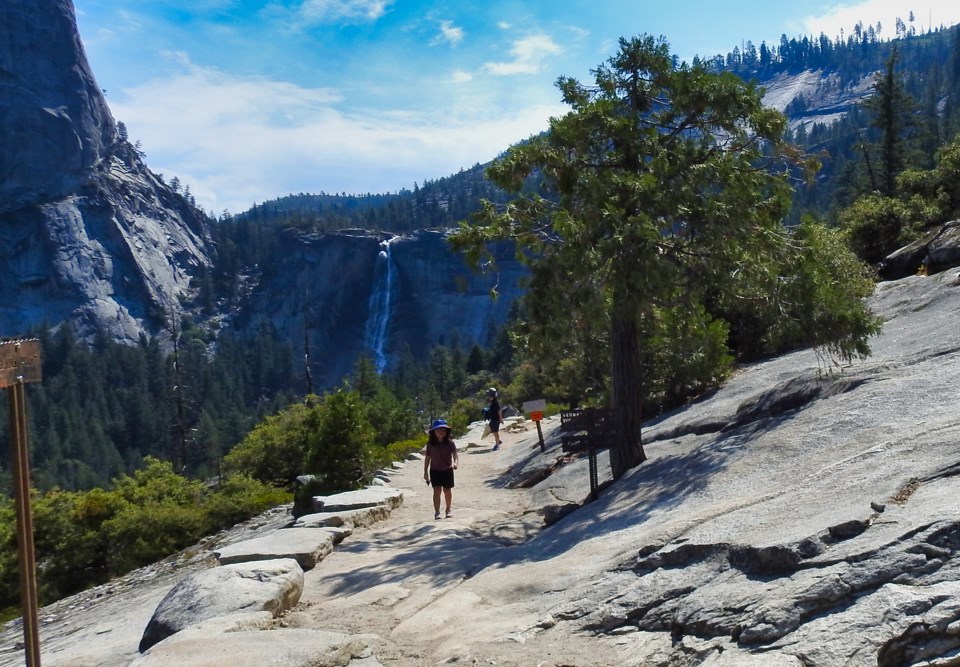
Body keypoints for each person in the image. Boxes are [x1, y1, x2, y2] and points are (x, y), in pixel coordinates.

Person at [423, 419, 459, 519]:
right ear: (433, 431)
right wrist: (425, 471)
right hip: (435, 470)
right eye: (438, 429)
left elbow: (455, 455)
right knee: (437, 491)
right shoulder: (430, 444)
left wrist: (455, 463)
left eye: (443, 429)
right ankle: (437, 512)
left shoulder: (450, 443)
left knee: (447, 491)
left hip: (447, 470)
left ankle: (448, 509)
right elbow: (427, 458)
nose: (441, 432)